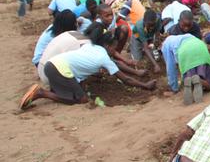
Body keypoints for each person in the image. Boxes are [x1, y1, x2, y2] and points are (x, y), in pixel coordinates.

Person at [20, 23, 156, 109]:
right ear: (108, 46)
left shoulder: (92, 46)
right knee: (82, 99)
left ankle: (54, 90)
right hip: (59, 70)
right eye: (114, 48)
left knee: (77, 88)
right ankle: (41, 93)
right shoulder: (103, 57)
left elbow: (116, 64)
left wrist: (136, 73)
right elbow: (126, 80)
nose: (115, 51)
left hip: (52, 65)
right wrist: (145, 86)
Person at [161, 33, 210, 105]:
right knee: (208, 83)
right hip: (200, 46)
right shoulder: (187, 36)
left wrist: (174, 88)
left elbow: (171, 67)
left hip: (184, 51)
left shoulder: (165, 46)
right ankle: (200, 81)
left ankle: (191, 84)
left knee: (189, 77)